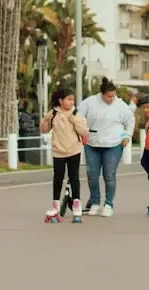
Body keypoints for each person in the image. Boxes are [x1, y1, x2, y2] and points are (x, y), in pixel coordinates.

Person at [78, 77, 134, 217]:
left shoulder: (120, 105)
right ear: (102, 94)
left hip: (113, 145)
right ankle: (95, 202)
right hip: (92, 144)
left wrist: (127, 135)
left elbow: (130, 120)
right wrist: (81, 131)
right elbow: (77, 117)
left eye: (113, 96)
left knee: (109, 175)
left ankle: (108, 204)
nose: (111, 99)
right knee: (92, 175)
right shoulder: (90, 102)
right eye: (108, 96)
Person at [40, 87, 89, 223]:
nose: (72, 102)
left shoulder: (76, 113)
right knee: (58, 178)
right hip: (58, 151)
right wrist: (45, 120)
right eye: (69, 99)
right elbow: (44, 130)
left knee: (74, 177)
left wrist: (75, 121)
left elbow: (84, 131)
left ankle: (76, 204)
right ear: (61, 101)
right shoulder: (53, 113)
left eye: (73, 99)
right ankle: (55, 205)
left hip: (74, 150)